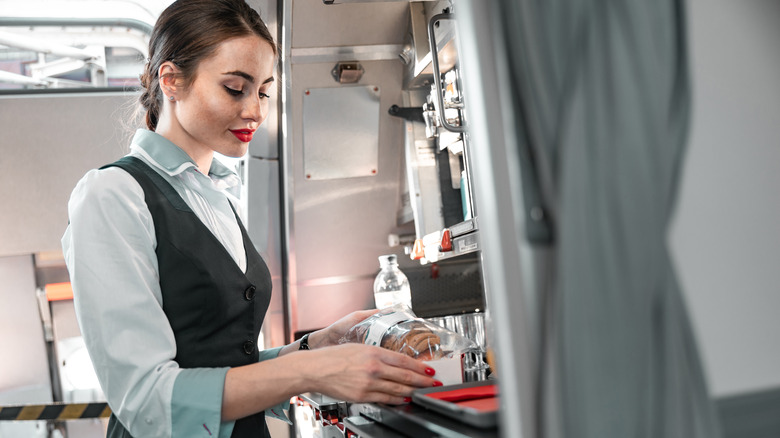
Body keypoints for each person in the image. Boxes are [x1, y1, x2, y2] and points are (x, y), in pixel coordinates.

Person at [61, 1, 439, 437]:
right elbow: (147, 399)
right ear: (171, 81)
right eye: (235, 88)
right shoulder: (112, 195)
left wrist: (314, 346)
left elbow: (226, 367)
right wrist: (311, 371)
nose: (256, 112)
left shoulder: (217, 195)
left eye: (262, 91)